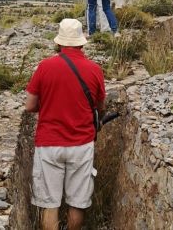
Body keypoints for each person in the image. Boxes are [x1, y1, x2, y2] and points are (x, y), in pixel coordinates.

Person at [25, 18, 106, 230]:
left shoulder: (44, 67)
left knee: (50, 204)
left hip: (49, 144)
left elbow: (30, 105)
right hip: (81, 144)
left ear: (59, 43)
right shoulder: (94, 70)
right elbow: (99, 106)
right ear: (81, 43)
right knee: (77, 203)